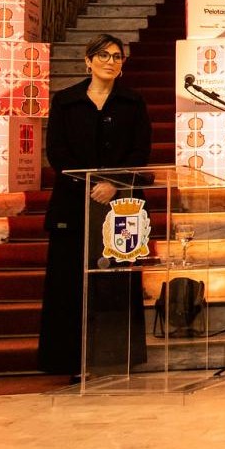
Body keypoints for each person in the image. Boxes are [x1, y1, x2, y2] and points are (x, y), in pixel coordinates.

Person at [37, 34, 154, 377]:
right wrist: (91, 185)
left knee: (116, 281)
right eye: (102, 55)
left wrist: (113, 185)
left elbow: (139, 151)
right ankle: (70, 360)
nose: (110, 61)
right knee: (69, 284)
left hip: (121, 207)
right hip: (73, 204)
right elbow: (57, 152)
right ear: (88, 61)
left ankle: (116, 357)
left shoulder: (133, 102)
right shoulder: (65, 101)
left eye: (117, 57)